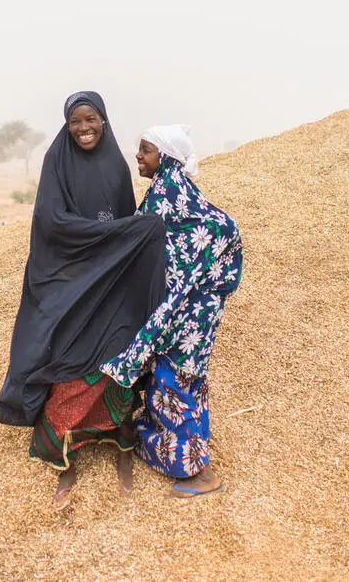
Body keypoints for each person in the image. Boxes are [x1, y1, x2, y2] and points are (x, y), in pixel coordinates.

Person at [0, 91, 166, 510]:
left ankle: (123, 452)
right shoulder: (57, 162)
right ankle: (65, 463)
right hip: (69, 279)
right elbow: (52, 221)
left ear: (105, 121)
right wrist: (107, 237)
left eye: (91, 119)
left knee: (115, 362)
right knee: (66, 364)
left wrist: (136, 237)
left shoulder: (115, 165)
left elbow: (129, 229)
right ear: (67, 125)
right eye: (76, 121)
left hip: (108, 285)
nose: (84, 127)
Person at [101, 124, 243, 498]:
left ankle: (200, 474)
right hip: (187, 306)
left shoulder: (171, 188)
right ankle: (166, 451)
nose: (139, 156)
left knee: (175, 380)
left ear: (163, 156)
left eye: (145, 150)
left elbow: (220, 226)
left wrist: (201, 277)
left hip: (190, 311)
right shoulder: (167, 186)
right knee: (174, 378)